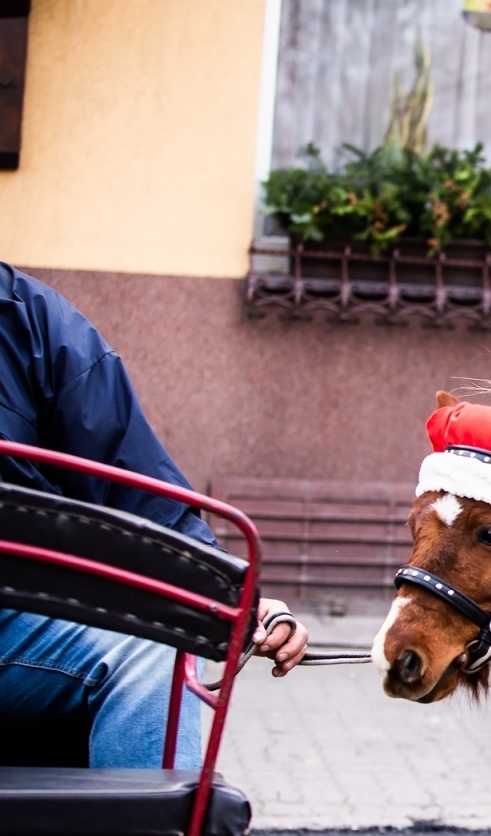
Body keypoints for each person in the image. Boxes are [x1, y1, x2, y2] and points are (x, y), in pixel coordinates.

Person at [0, 261, 307, 770]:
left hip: (13, 616)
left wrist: (237, 602)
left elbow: (133, 478)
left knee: (154, 653)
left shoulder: (28, 317)